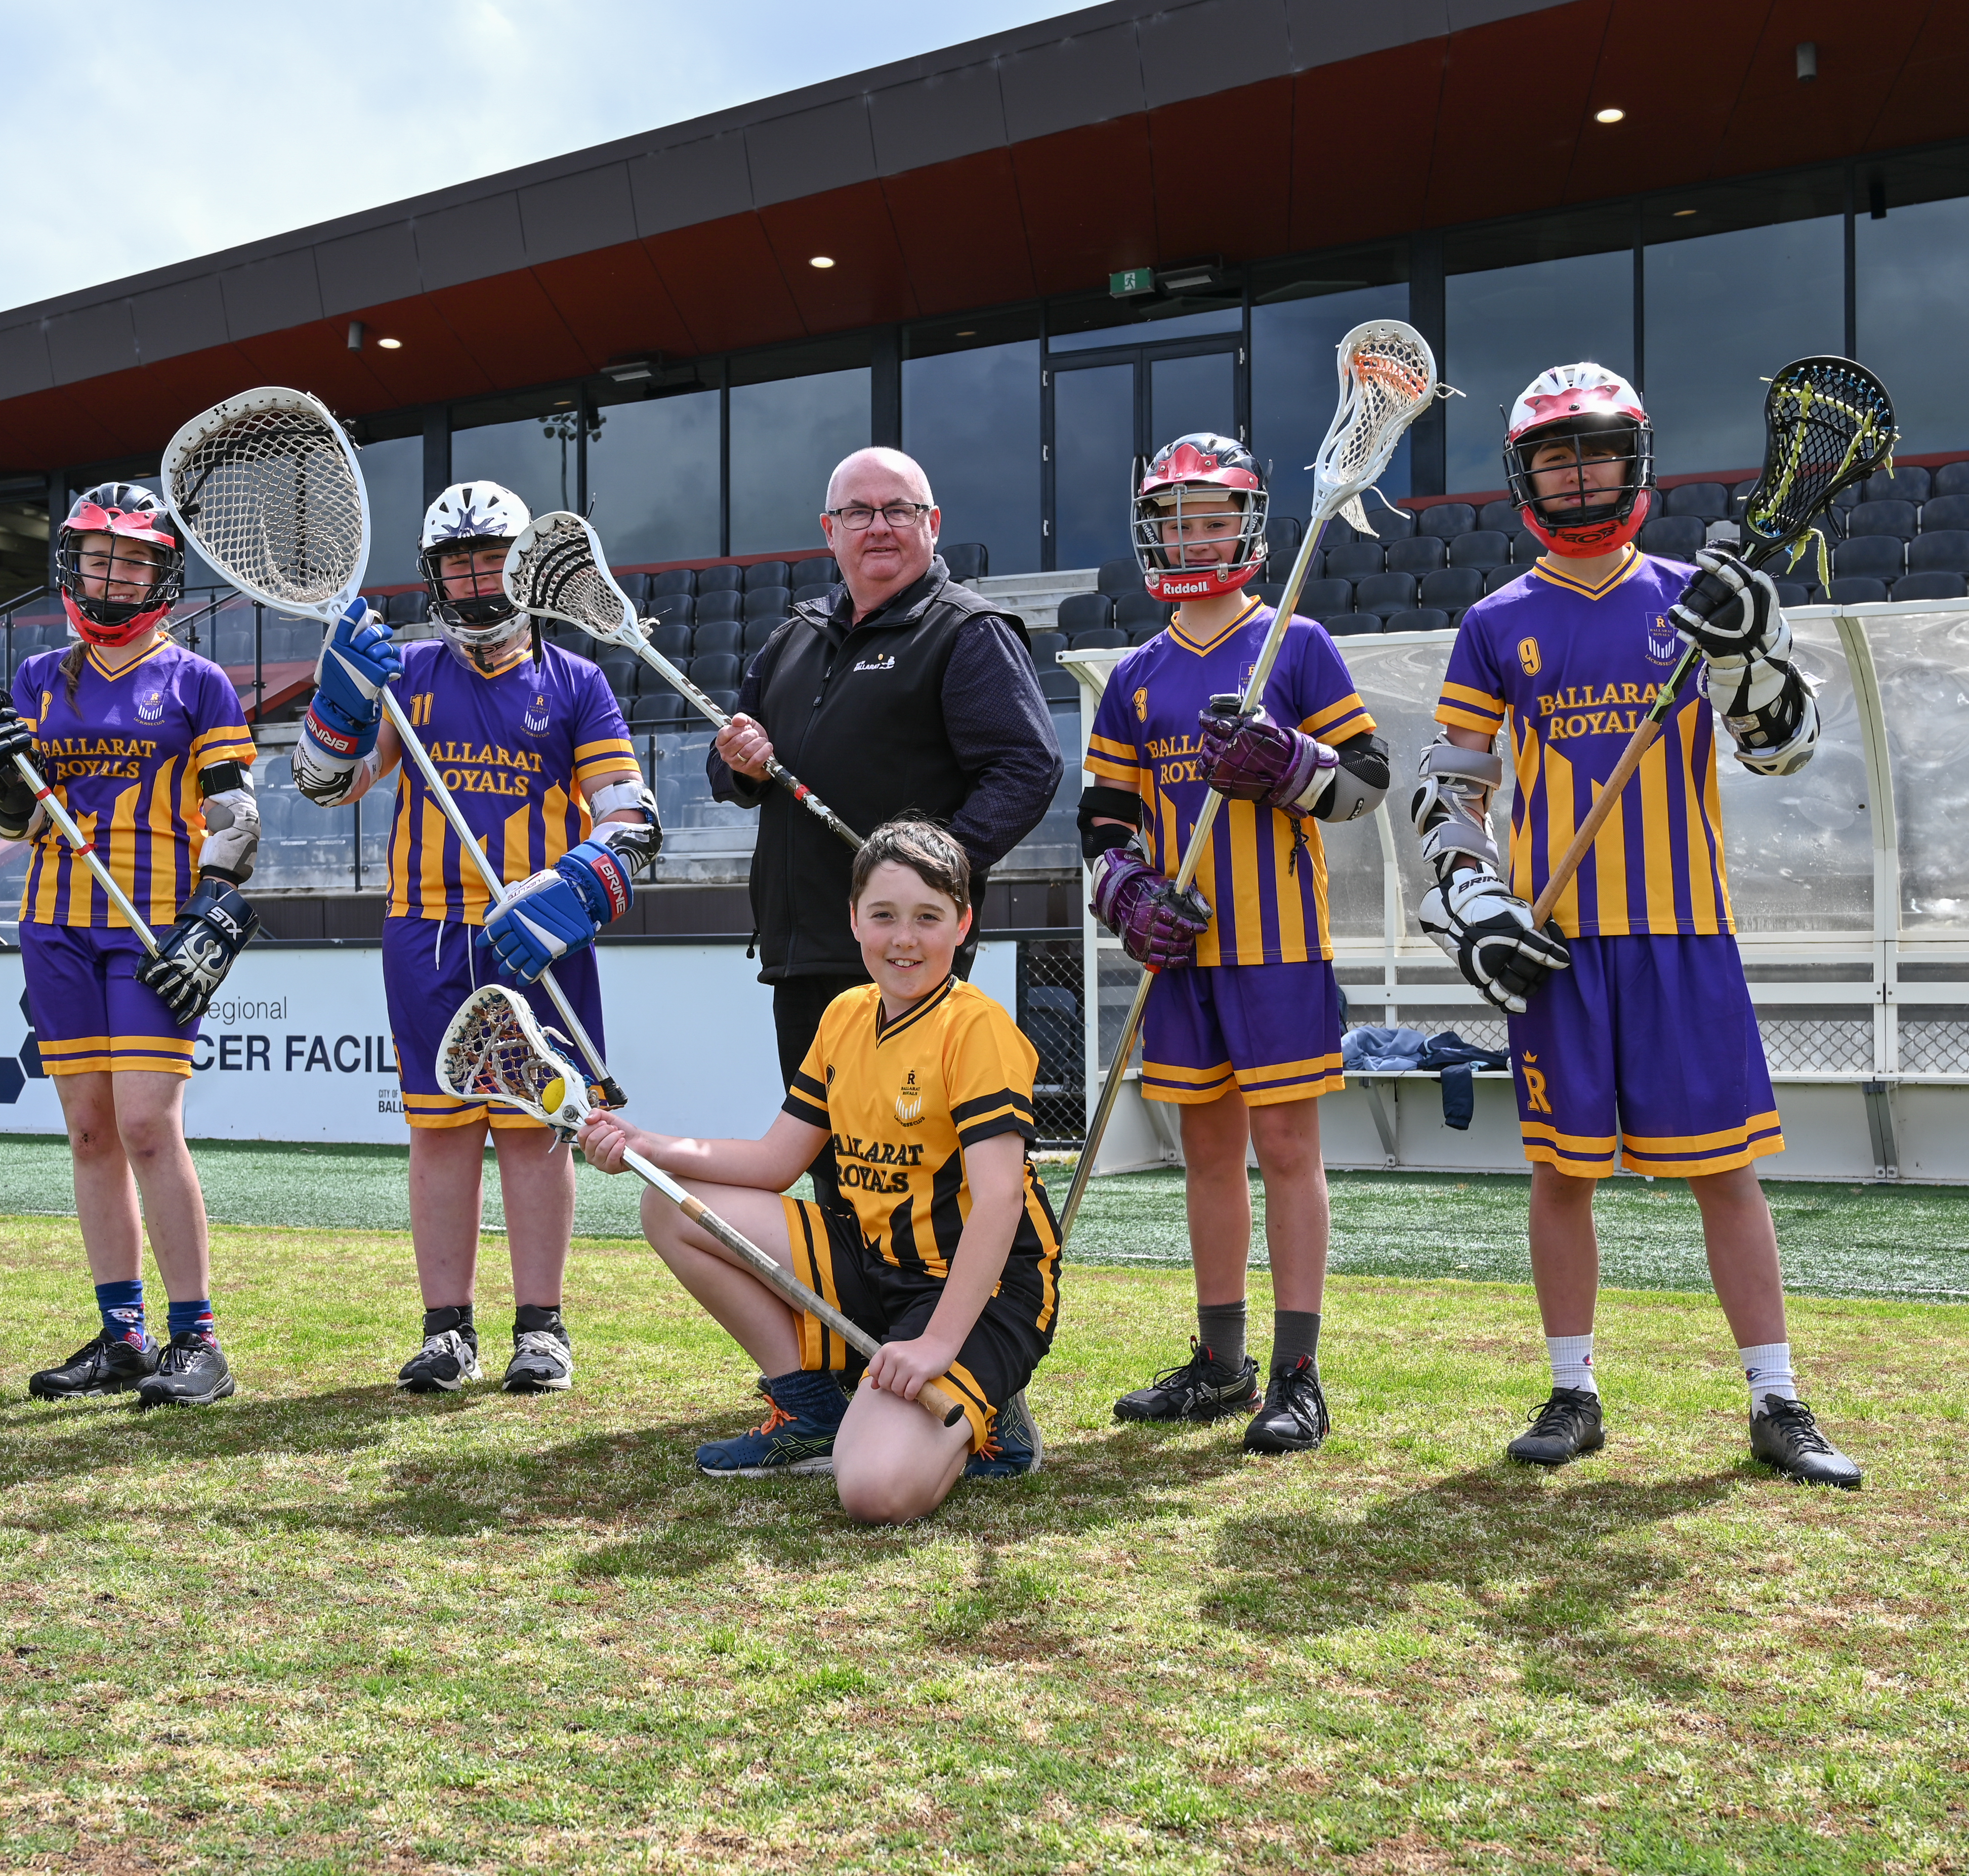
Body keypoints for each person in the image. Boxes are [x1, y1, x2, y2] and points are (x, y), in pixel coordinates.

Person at [1412, 362, 1861, 1487]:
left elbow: (1785, 748)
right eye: (1556, 456)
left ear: (1633, 459)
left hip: (1683, 932)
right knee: (1562, 1173)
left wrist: (1749, 653)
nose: (1578, 474)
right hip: (1559, 940)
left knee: (1730, 1174)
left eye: (1596, 450)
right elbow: (1453, 790)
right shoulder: (1493, 624)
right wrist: (1476, 908)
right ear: (1526, 475)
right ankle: (1573, 1389)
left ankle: (1778, 1398)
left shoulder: (1702, 592)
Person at [577, 818, 1061, 1522]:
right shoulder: (843, 1015)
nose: (904, 938)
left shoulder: (976, 1029)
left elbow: (996, 1203)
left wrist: (935, 1345)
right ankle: (810, 1409)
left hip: (979, 1292)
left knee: (872, 1492)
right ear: (854, 920)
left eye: (928, 917)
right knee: (669, 1205)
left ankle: (992, 1424)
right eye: (884, 915)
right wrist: (646, 1146)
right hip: (874, 1265)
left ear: (962, 924)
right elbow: (775, 1162)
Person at [294, 479, 657, 1397]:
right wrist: (337, 710)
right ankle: (446, 1332)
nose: (475, 576)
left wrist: (577, 891)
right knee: (440, 1132)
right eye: (457, 561)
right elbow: (323, 788)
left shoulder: (576, 682)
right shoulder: (403, 673)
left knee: (537, 1130)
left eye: (491, 556)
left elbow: (628, 817)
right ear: (435, 576)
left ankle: (541, 1329)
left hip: (537, 934)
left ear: (523, 565)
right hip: (424, 932)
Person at [1078, 433, 1393, 1456]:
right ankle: (1222, 1363)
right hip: (1181, 951)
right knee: (1206, 1154)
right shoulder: (1133, 674)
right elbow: (1103, 822)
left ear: (1247, 524)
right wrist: (1125, 892)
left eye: (1211, 515)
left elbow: (1366, 781)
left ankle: (1299, 1374)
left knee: (1288, 1151)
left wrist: (1290, 764)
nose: (1191, 532)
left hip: (1279, 945)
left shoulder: (1295, 646)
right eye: (1174, 517)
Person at [0, 483, 260, 1407]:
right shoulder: (39, 678)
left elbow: (234, 811)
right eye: (98, 557)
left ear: (161, 574)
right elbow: (15, 819)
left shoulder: (198, 682)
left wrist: (212, 909)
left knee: (145, 1126)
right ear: (74, 565)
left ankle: (196, 1340)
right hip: (53, 923)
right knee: (89, 1133)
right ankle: (121, 1335)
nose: (114, 577)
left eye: (132, 561)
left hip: (151, 927)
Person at [708, 447, 1061, 1090]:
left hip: (903, 954)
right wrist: (743, 762)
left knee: (907, 1162)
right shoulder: (792, 639)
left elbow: (1025, 769)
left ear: (931, 522)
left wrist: (928, 874)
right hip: (800, 954)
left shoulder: (967, 632)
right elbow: (727, 761)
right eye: (859, 512)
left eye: (898, 510)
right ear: (830, 529)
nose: (878, 526)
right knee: (830, 1165)